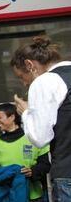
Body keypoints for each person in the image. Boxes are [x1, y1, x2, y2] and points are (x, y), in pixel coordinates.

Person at [11, 36, 71, 201]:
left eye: (21, 76)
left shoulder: (45, 81)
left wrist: (25, 112)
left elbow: (39, 138)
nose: (24, 84)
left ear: (30, 65)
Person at [0, 103, 50, 201]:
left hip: (33, 196)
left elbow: (45, 165)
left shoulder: (32, 137)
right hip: (7, 196)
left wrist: (32, 171)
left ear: (12, 117)